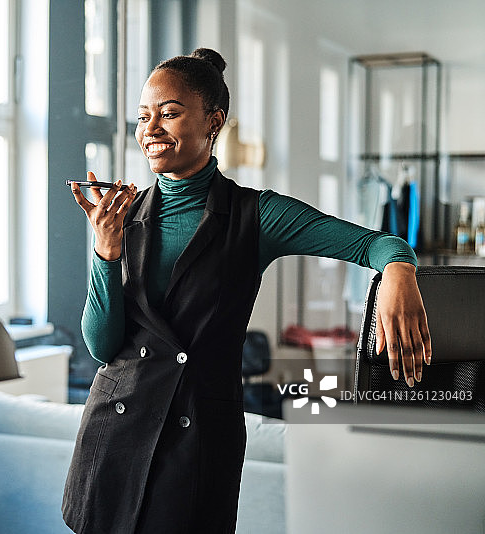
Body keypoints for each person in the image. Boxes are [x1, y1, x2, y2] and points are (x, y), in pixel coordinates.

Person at [62, 48, 432, 534]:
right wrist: (105, 254)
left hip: (196, 440)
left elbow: (376, 244)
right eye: (143, 116)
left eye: (169, 114)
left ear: (213, 122)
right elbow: (102, 346)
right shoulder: (121, 215)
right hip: (114, 436)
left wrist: (400, 269)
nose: (150, 129)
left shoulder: (257, 216)